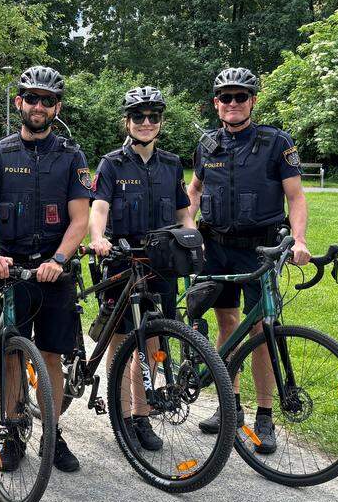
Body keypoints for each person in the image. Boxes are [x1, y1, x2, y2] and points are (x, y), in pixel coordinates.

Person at [0, 65, 91, 473]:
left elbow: (80, 218)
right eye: (31, 98)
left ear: (56, 107)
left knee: (52, 356)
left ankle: (52, 434)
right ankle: (13, 429)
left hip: (54, 271)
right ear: (18, 102)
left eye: (47, 100)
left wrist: (59, 260)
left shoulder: (72, 157)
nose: (38, 106)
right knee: (10, 355)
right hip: (11, 270)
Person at [186, 67, 311, 454]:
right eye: (226, 97)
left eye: (241, 96)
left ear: (253, 101)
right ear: (216, 104)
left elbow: (296, 197)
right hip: (217, 248)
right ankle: (231, 407)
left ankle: (264, 415)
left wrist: (300, 239)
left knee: (260, 330)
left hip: (260, 248)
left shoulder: (276, 142)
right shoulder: (208, 145)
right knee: (227, 322)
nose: (233, 103)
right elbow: (194, 190)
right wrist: (188, 229)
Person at [87, 86, 193, 452]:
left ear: (161, 122)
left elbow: (183, 211)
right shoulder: (111, 164)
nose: (146, 123)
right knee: (120, 343)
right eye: (138, 117)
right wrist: (99, 238)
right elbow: (98, 207)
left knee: (149, 341)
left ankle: (141, 416)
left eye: (153, 117)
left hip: (161, 262)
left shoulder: (171, 164)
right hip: (121, 259)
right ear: (127, 122)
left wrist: (193, 238)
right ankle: (121, 414)